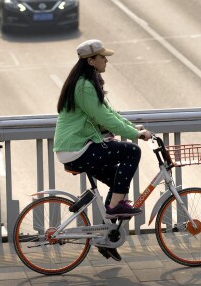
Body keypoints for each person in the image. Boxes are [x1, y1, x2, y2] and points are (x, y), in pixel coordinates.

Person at [54, 39, 151, 261]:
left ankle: (108, 236)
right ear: (91, 60)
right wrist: (136, 136)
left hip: (82, 146)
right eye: (102, 56)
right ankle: (114, 208)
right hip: (77, 149)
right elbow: (103, 118)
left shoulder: (88, 82)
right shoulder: (84, 86)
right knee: (132, 152)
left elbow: (111, 114)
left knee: (119, 180)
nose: (106, 59)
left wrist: (132, 128)